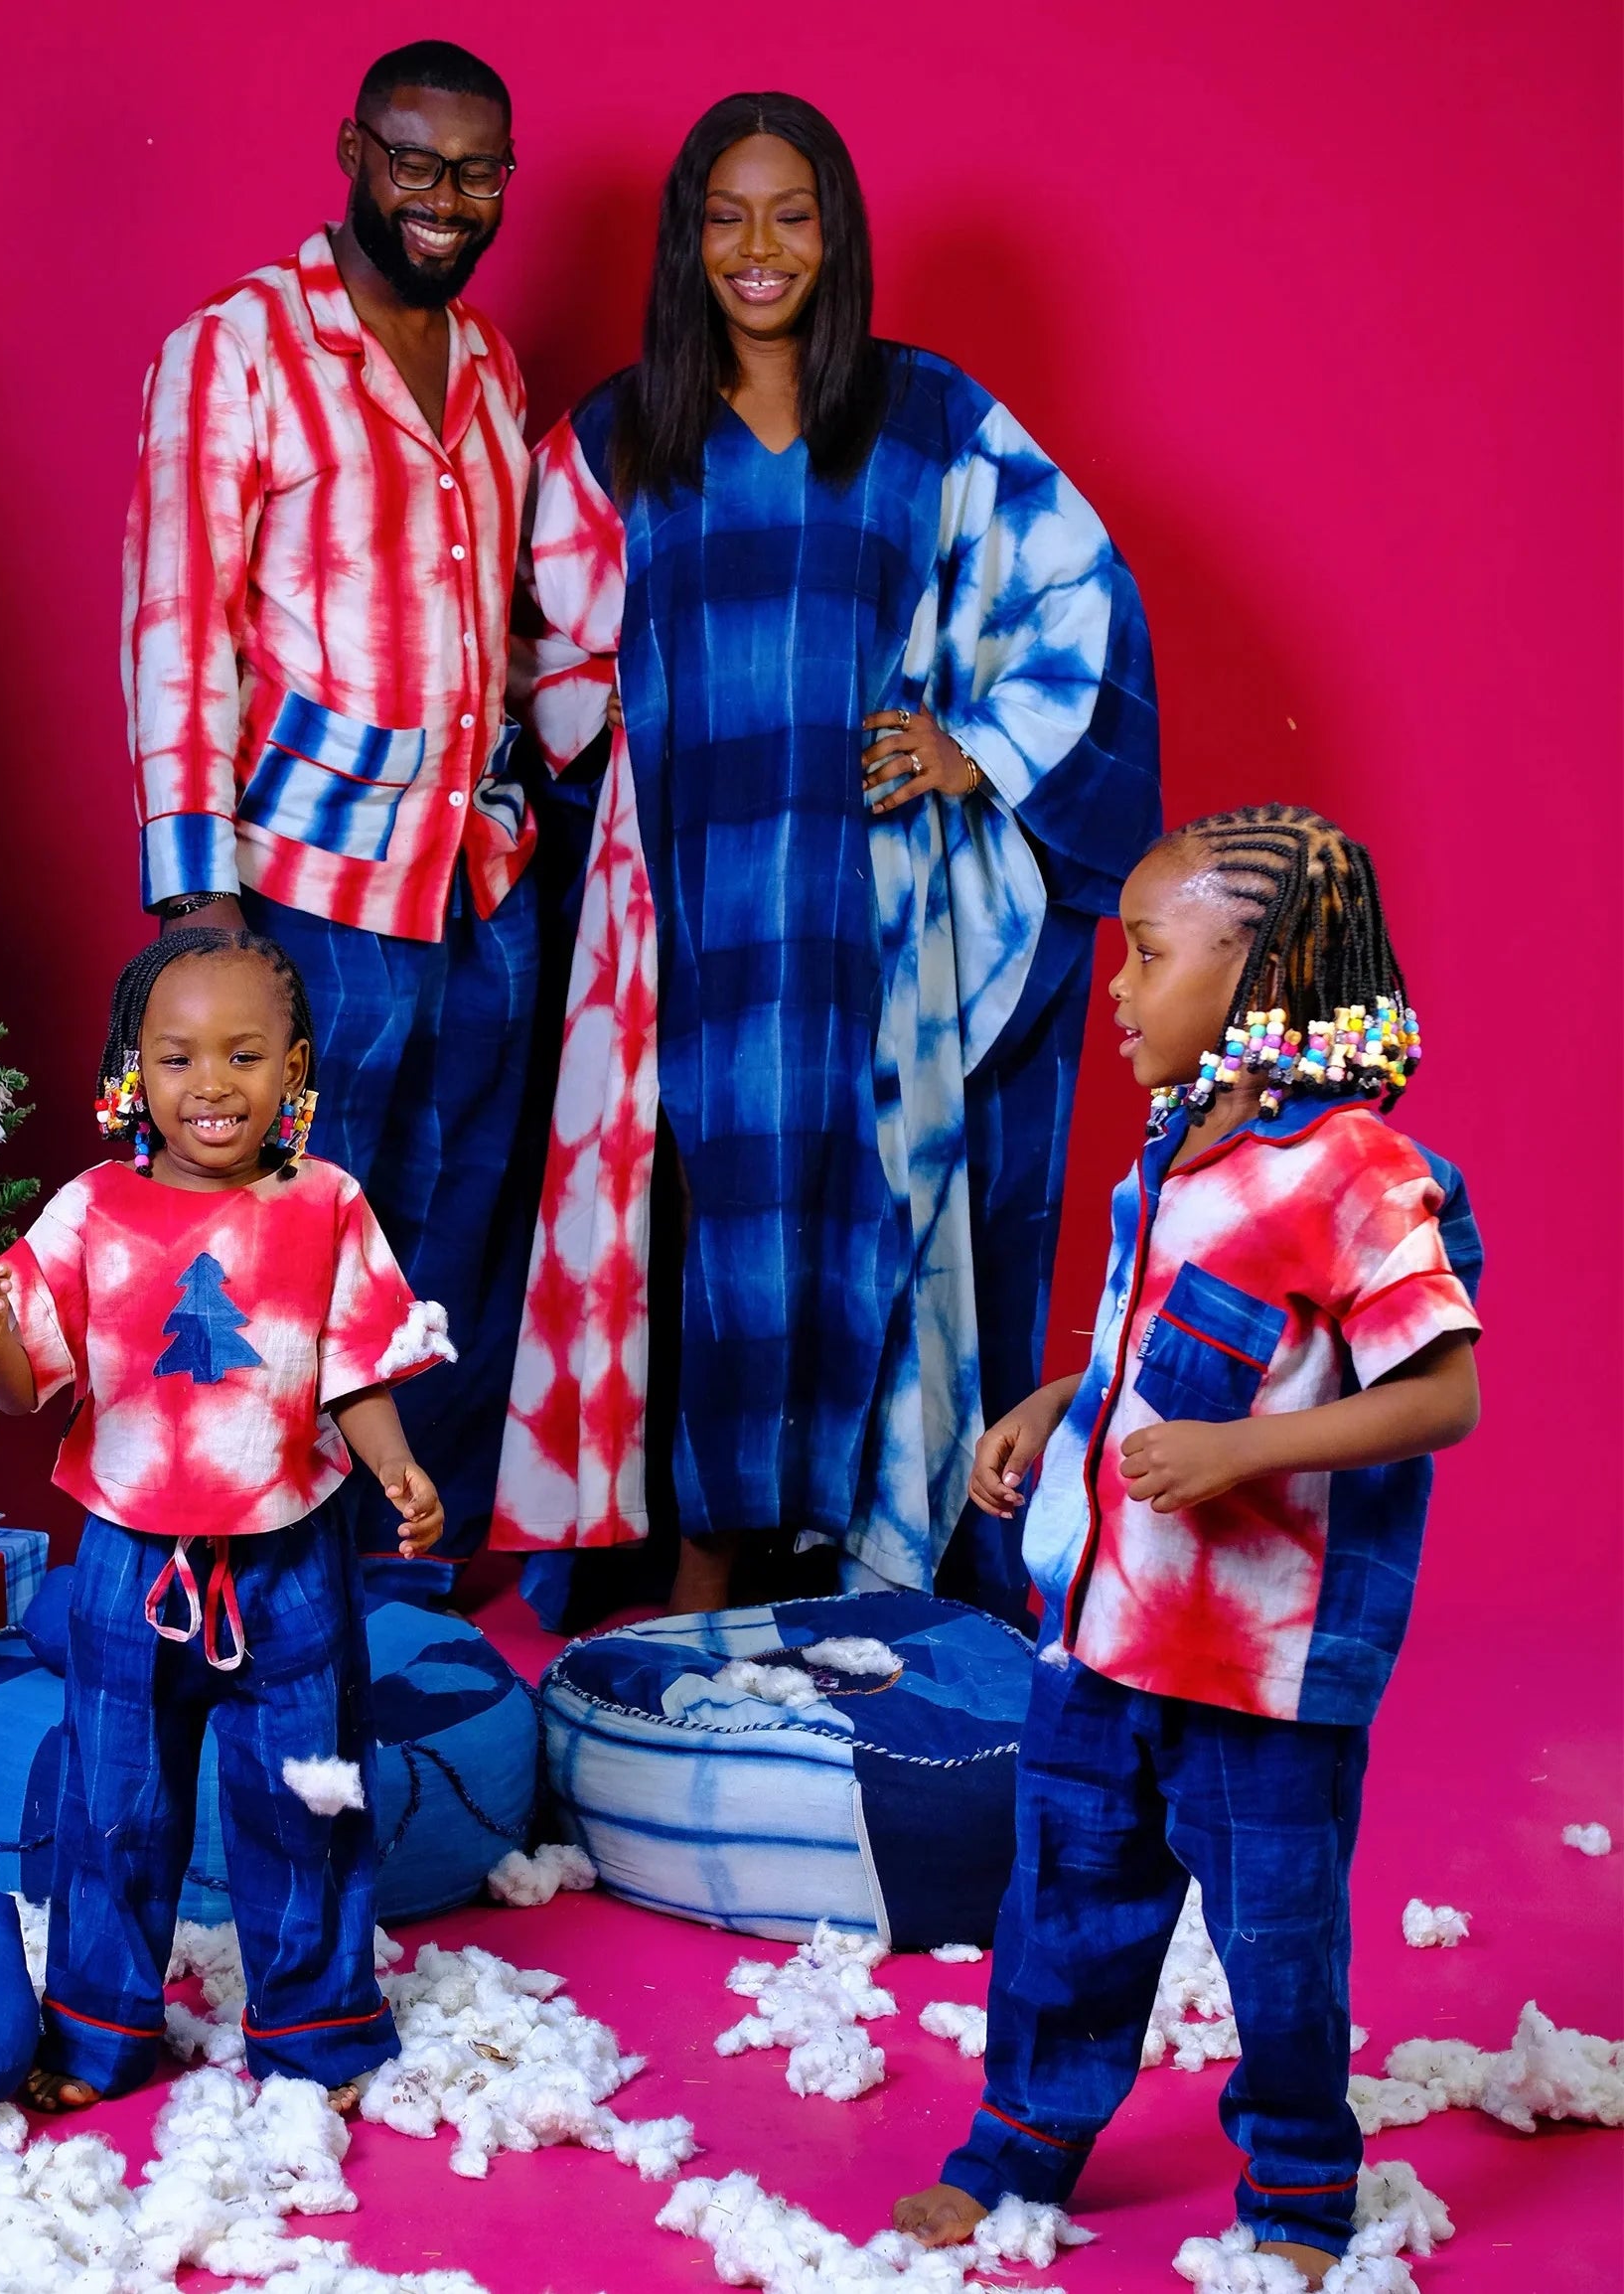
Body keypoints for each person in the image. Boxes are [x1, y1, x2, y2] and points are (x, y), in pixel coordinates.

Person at [495, 92, 1159, 1617]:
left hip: (872, 914)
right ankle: (707, 1558)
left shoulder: (926, 418)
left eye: (791, 213)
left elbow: (1082, 595)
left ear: (837, 234)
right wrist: (615, 721)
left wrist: (973, 745)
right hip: (689, 910)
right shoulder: (617, 432)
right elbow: (546, 667)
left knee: (870, 1200)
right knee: (702, 1219)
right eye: (726, 215)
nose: (758, 247)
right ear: (686, 242)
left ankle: (864, 1554)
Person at [894, 805, 1483, 2288]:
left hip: (1260, 1675)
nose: (1118, 986)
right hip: (1102, 1636)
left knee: (1276, 1941)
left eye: (1148, 956)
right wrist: (1048, 1407)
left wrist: (1245, 1454)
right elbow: (1141, 1350)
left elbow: (1445, 1391)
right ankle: (1015, 2146)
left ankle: (1294, 2189)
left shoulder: (1356, 1174)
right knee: (1064, 1906)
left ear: (1262, 973)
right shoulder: (1172, 1151)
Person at [123, 40, 533, 1589]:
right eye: (418, 165)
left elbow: (510, 625)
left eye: (479, 172)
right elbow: (177, 622)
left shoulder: (490, 367)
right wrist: (194, 900)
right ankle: (265, 1587)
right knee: (290, 1251)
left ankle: (408, 1593)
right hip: (306, 887)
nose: (445, 201)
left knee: (449, 1253)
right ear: (354, 150)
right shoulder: (235, 347)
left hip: (480, 892)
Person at [0, 928, 452, 2111]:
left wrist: (396, 1467)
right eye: (176, 1059)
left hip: (290, 1554)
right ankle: (93, 2032)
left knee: (306, 1794)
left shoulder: (326, 1203)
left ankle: (317, 2031)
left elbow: (354, 1367)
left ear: (294, 1072)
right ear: (134, 1070)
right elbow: (29, 1387)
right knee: (114, 1798)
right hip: (129, 1551)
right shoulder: (91, 1209)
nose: (210, 1084)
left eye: (243, 1055)